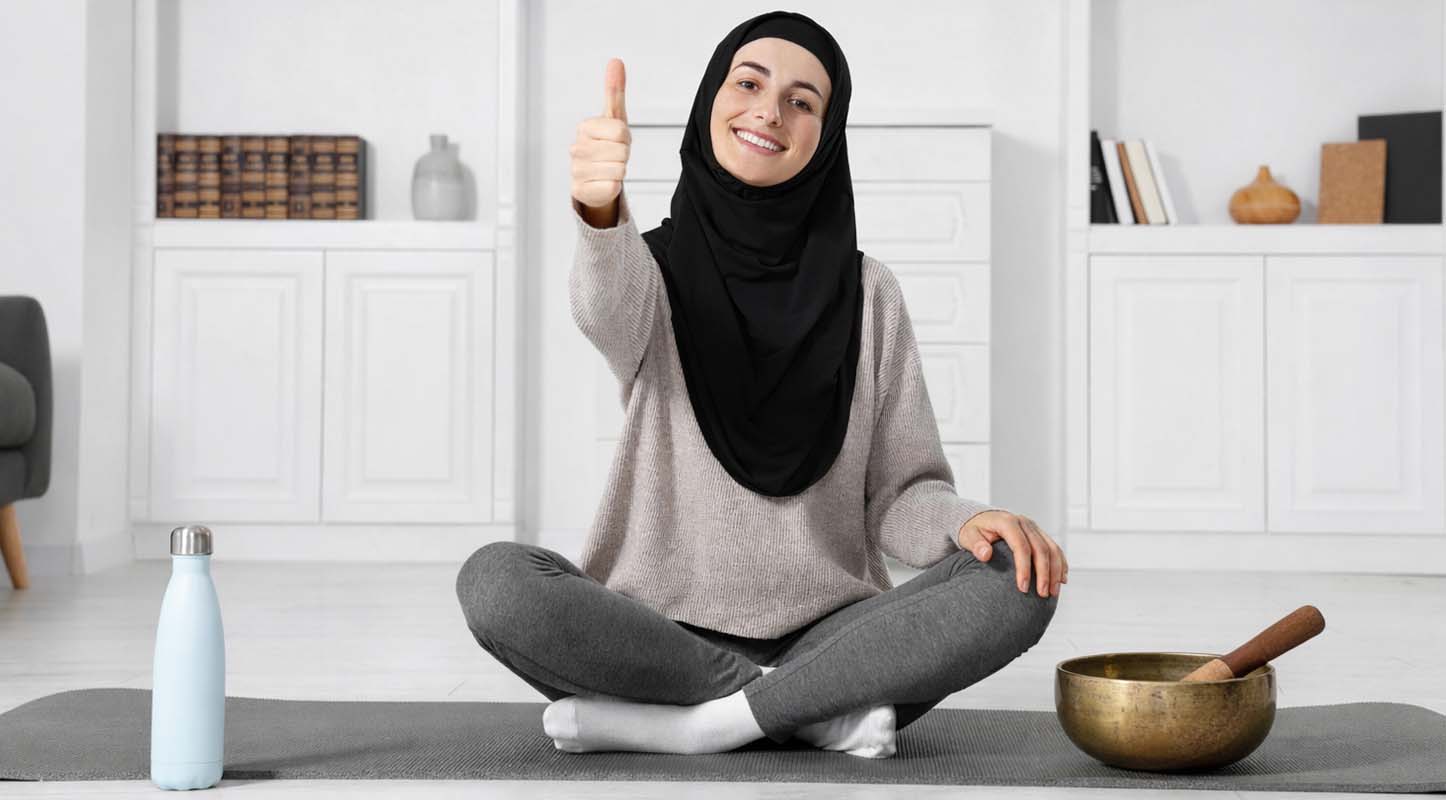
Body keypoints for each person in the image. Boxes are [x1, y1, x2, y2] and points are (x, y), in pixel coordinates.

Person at [456, 10, 1065, 759]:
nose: (769, 111)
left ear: (826, 135)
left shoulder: (869, 293)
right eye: (748, 84)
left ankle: (699, 725)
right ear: (712, 98)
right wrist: (600, 211)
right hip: (655, 633)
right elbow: (602, 309)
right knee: (495, 580)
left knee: (1017, 579)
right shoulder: (649, 270)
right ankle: (802, 709)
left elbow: (900, 497)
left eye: (802, 101)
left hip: (832, 633)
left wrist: (970, 522)